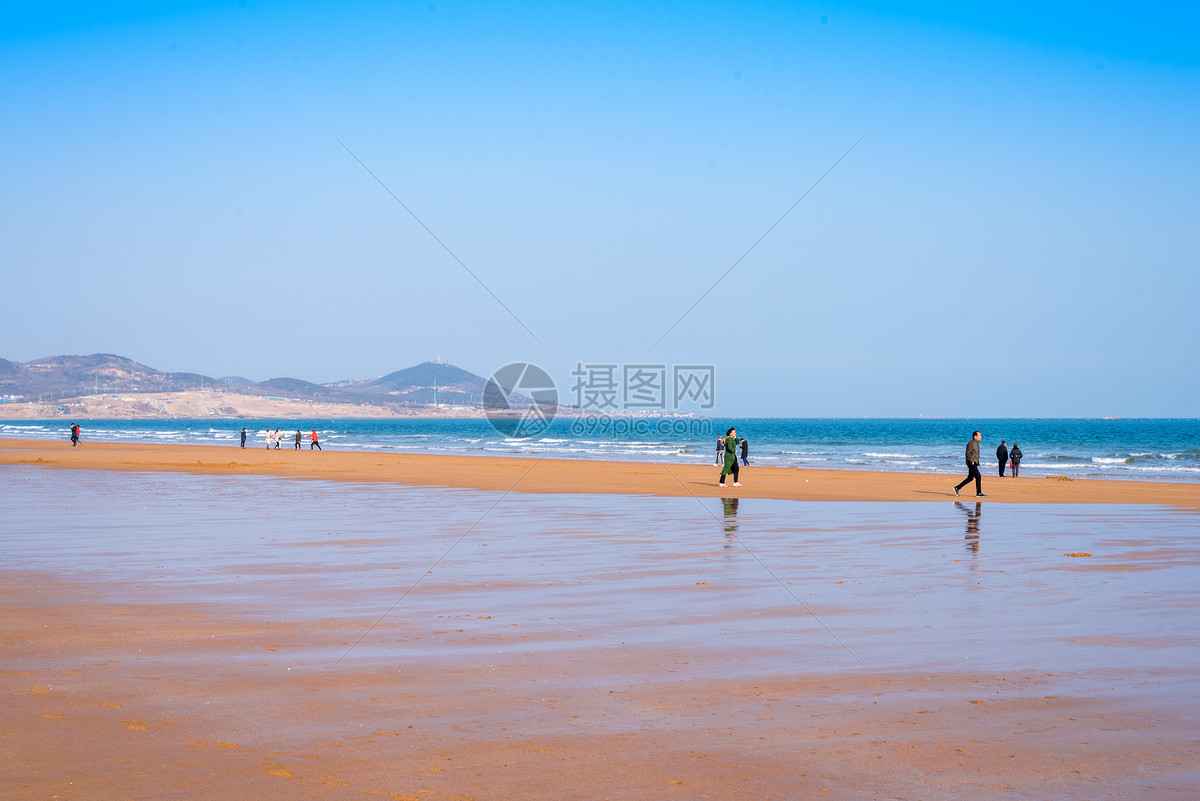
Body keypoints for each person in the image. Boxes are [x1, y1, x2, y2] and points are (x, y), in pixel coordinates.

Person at [953, 430, 986, 497]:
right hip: (971, 463)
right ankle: (978, 493)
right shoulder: (971, 443)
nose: (981, 437)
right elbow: (968, 454)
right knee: (978, 476)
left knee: (970, 478)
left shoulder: (976, 443)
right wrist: (971, 461)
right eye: (980, 435)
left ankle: (957, 488)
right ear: (975, 436)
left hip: (974, 463)